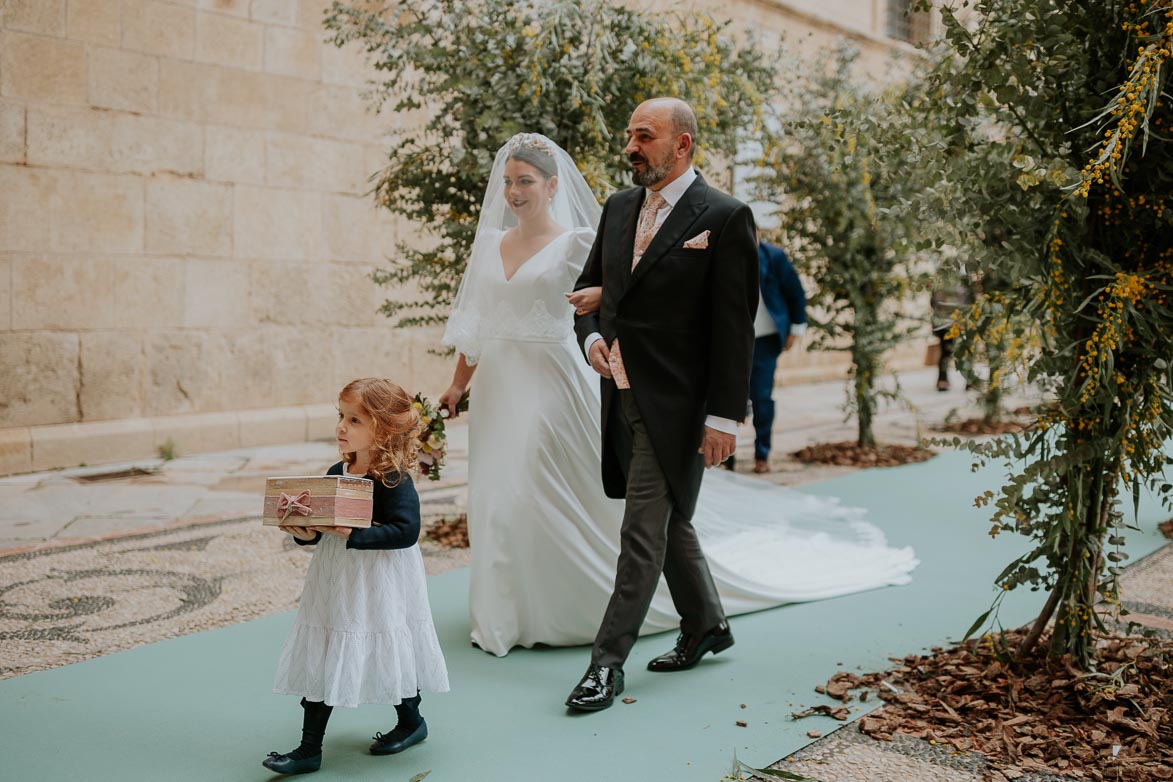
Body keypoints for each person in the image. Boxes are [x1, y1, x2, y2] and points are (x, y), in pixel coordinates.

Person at [438, 131, 917, 705]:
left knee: (641, 530)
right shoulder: (618, 208)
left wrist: (724, 417)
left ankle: (606, 666)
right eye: (630, 135)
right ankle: (707, 623)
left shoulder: (725, 216)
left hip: (682, 403)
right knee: (669, 521)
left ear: (681, 144)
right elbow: (599, 297)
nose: (631, 145)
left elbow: (733, 327)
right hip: (617, 392)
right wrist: (592, 341)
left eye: (645, 135)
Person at [264, 378, 449, 776]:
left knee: (385, 642)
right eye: (340, 417)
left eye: (354, 420)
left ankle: (411, 721)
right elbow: (323, 523)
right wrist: (305, 532)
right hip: (337, 575)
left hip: (380, 576)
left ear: (381, 429)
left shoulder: (393, 478)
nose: (341, 427)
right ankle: (309, 749)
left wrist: (357, 534)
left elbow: (406, 530)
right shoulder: (337, 470)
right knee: (329, 644)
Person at [736, 231, 807, 474]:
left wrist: (796, 329)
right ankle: (727, 455)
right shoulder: (723, 256)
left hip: (765, 340)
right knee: (729, 397)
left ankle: (762, 453)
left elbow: (796, 293)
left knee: (762, 398)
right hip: (733, 343)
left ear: (756, 235)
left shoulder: (773, 256)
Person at [930, 282, 973, 391]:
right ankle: (970, 380)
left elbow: (933, 302)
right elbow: (969, 302)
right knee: (965, 351)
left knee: (945, 352)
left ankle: (942, 381)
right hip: (957, 322)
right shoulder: (963, 283)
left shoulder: (939, 282)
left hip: (944, 322)